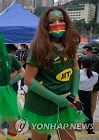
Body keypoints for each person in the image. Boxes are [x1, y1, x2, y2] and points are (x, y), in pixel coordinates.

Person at [23, 7, 87, 140]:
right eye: (52, 21)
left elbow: (75, 67)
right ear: (45, 25)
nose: (57, 23)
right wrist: (56, 99)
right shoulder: (38, 48)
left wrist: (75, 91)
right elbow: (28, 80)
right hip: (41, 106)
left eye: (61, 20)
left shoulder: (69, 45)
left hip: (65, 103)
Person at [79, 58, 98, 134]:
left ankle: (75, 127)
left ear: (82, 65)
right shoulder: (95, 74)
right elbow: (95, 83)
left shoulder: (78, 73)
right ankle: (90, 129)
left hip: (78, 93)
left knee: (75, 110)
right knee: (88, 111)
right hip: (88, 94)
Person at [81, 45, 99, 117]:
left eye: (84, 54)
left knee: (92, 103)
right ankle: (82, 118)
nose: (83, 55)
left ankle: (89, 118)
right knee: (82, 103)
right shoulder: (82, 60)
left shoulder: (97, 60)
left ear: (89, 52)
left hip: (94, 87)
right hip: (83, 87)